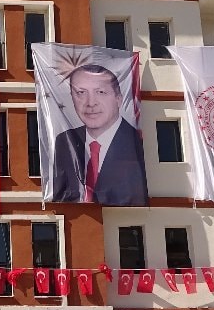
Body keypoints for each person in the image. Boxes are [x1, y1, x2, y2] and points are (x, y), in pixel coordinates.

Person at [51, 64, 148, 206]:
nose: (91, 103)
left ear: (118, 99)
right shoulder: (64, 141)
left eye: (101, 92)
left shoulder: (135, 142)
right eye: (81, 93)